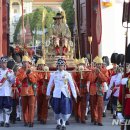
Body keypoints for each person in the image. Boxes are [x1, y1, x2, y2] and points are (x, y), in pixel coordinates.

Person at [46, 58, 77, 130]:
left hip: (65, 93)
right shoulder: (54, 74)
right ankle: (58, 123)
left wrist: (74, 95)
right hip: (56, 94)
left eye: (62, 65)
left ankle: (63, 124)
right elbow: (50, 84)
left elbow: (72, 85)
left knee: (65, 109)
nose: (60, 67)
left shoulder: (67, 74)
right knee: (56, 109)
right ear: (57, 66)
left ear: (64, 66)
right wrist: (48, 93)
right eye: (59, 65)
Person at [16, 55, 37, 127]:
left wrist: (30, 74)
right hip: (23, 91)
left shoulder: (33, 70)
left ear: (29, 63)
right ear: (22, 63)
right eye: (24, 62)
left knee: (31, 106)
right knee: (24, 107)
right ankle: (25, 121)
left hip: (31, 91)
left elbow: (34, 81)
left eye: (27, 62)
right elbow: (19, 79)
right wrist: (25, 73)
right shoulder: (19, 70)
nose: (25, 64)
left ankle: (31, 121)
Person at [0, 56, 15, 127]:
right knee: (0, 107)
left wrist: (10, 77)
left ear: (7, 63)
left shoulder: (10, 71)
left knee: (7, 107)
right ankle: (1, 120)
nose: (3, 64)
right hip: (0, 92)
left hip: (7, 92)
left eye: (5, 63)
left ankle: (6, 121)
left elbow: (13, 81)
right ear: (0, 63)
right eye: (2, 63)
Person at [36, 58, 50, 124]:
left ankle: (44, 118)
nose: (41, 66)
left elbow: (49, 79)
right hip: (38, 90)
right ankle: (39, 116)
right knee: (39, 104)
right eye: (40, 65)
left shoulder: (47, 71)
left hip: (45, 89)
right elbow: (36, 79)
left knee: (45, 105)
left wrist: (46, 73)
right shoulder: (36, 72)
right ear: (37, 66)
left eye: (42, 65)